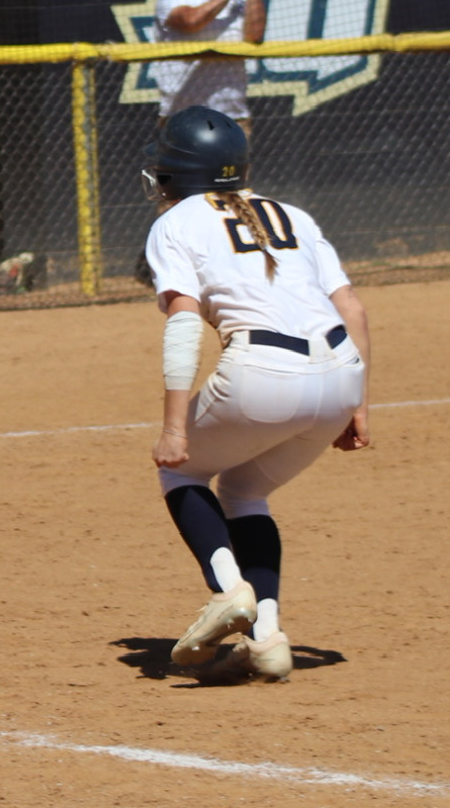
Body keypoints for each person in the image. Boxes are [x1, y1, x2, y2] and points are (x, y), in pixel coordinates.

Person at [142, 106, 368, 684]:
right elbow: (352, 308)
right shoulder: (289, 212)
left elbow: (185, 323)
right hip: (342, 372)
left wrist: (174, 429)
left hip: (263, 372)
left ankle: (229, 592)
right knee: (243, 491)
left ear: (172, 177)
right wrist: (357, 406)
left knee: (182, 472)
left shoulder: (174, 223)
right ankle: (267, 638)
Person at [151, 0, 266, 137]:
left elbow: (254, 36)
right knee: (181, 170)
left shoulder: (237, 0)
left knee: (235, 170)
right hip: (182, 116)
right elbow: (191, 21)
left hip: (231, 116)